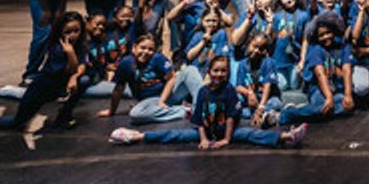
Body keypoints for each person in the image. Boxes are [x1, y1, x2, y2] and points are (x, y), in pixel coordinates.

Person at [109, 56, 306, 149]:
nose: (219, 74)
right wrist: (203, 139)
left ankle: (286, 137)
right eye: (216, 71)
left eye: (223, 71)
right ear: (209, 72)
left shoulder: (229, 90)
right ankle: (137, 136)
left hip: (226, 130)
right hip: (206, 129)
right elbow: (199, 119)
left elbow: (230, 118)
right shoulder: (202, 92)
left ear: (227, 73)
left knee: (251, 134)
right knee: (175, 135)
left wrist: (227, 139)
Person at [0, 11, 86, 131]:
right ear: (60, 32)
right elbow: (70, 69)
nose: (73, 35)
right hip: (42, 88)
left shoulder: (80, 45)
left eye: (76, 31)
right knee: (17, 123)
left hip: (59, 88)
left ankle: (63, 117)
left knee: (84, 80)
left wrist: (74, 77)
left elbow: (81, 66)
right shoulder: (59, 48)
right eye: (68, 32)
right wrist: (71, 53)